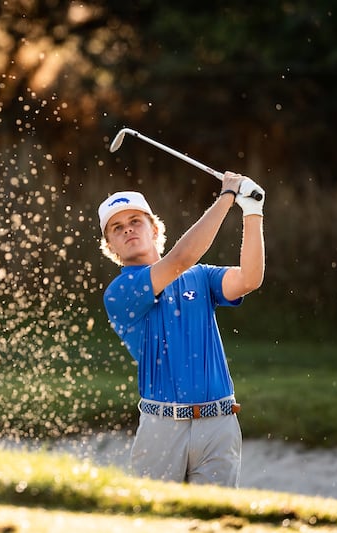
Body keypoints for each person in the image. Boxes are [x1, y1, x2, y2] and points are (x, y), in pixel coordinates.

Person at [98, 172, 265, 487]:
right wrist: (226, 196)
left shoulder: (201, 277)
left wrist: (253, 212)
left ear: (155, 229)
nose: (128, 229)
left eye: (136, 221)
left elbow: (250, 279)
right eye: (117, 228)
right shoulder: (120, 291)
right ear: (111, 247)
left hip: (220, 422)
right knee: (156, 520)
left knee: (214, 518)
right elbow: (180, 259)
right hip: (162, 426)